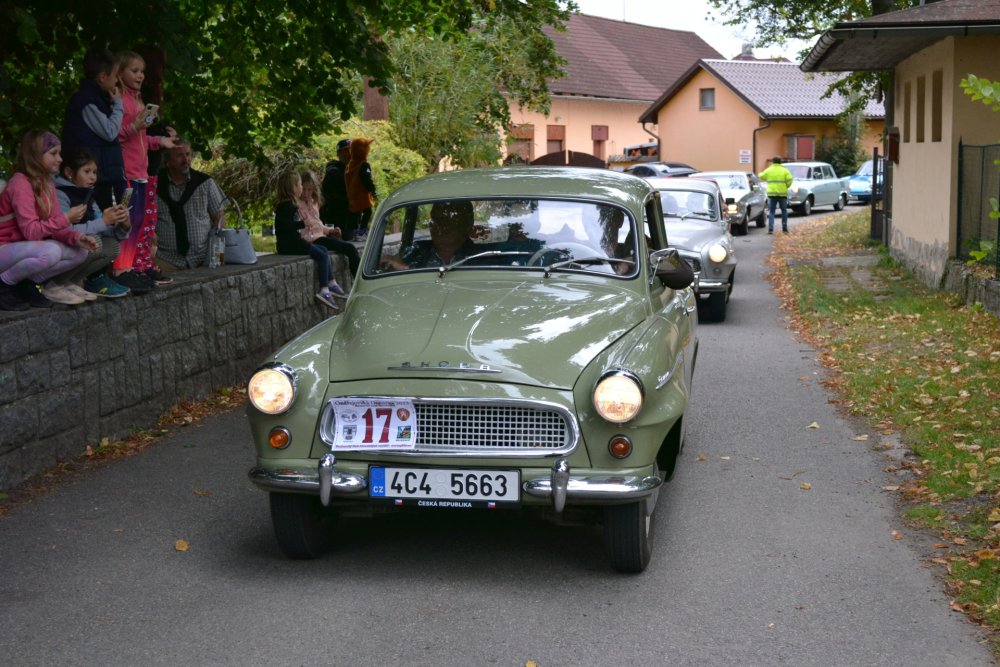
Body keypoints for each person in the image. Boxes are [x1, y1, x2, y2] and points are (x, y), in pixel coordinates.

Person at [0, 130, 100, 310]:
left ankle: (26, 284)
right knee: (51, 251)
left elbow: (55, 226)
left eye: (59, 153)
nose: (60, 159)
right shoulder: (20, 183)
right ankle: (4, 284)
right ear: (35, 155)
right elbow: (31, 232)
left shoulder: (47, 183)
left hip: (22, 250)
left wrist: (77, 238)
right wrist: (66, 217)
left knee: (80, 252)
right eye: (53, 153)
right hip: (4, 248)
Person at [114, 49, 177, 290]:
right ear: (120, 72)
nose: (140, 76)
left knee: (140, 220)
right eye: (134, 71)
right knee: (127, 222)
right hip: (126, 173)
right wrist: (134, 126)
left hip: (141, 172)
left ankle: (132, 268)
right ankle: (122, 268)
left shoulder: (139, 99)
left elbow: (140, 138)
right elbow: (116, 136)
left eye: (142, 71)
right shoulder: (120, 99)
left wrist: (159, 142)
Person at [54, 147, 132, 298]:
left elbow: (101, 228)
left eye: (95, 172)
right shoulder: (60, 194)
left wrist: (123, 225)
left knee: (112, 246)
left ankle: (74, 281)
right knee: (95, 241)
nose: (92, 177)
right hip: (62, 247)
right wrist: (103, 221)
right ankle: (57, 282)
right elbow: (64, 231)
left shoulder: (88, 194)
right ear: (69, 172)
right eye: (87, 171)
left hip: (81, 246)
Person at [61, 47, 126, 211]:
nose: (117, 80)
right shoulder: (86, 100)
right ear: (102, 77)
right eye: (115, 75)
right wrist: (118, 104)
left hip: (101, 173)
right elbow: (110, 132)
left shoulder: (99, 98)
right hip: (92, 174)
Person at [273, 170, 347, 310]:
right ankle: (324, 289)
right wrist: (302, 224)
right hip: (289, 245)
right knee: (321, 253)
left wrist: (302, 224)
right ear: (293, 187)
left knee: (323, 250)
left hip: (294, 242)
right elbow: (283, 227)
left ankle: (331, 282)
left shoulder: (291, 205)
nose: (302, 188)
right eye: (300, 184)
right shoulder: (286, 206)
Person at [155, 141, 227, 270]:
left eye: (188, 154)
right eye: (179, 155)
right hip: (165, 259)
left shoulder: (205, 182)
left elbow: (219, 218)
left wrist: (216, 254)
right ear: (167, 160)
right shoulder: (154, 185)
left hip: (203, 259)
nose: (186, 159)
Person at [298, 169, 360, 277]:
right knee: (350, 248)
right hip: (313, 240)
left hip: (320, 237)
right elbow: (307, 225)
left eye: (309, 190)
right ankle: (360, 281)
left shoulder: (314, 202)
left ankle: (358, 277)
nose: (306, 193)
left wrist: (331, 230)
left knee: (349, 246)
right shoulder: (297, 204)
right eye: (304, 189)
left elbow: (318, 223)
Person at [382, 201, 476, 270]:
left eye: (447, 221)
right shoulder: (417, 250)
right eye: (434, 220)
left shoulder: (482, 256)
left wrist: (407, 269)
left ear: (465, 225)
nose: (438, 227)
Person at [345, 137, 377, 241]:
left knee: (355, 213)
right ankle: (362, 232)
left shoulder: (350, 164)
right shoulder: (363, 165)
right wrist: (373, 191)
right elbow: (367, 179)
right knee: (367, 211)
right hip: (362, 195)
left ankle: (353, 232)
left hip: (351, 195)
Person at [320, 138, 352, 235]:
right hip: (336, 222)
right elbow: (330, 198)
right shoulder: (333, 172)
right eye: (346, 151)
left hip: (349, 221)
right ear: (339, 154)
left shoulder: (352, 172)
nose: (349, 154)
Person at [758, 156, 793, 234]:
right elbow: (790, 180)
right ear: (780, 162)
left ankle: (770, 229)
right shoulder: (785, 170)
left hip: (771, 194)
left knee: (772, 212)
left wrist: (761, 174)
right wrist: (786, 186)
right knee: (784, 211)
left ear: (772, 162)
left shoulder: (769, 170)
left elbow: (761, 176)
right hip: (782, 194)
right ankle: (785, 229)